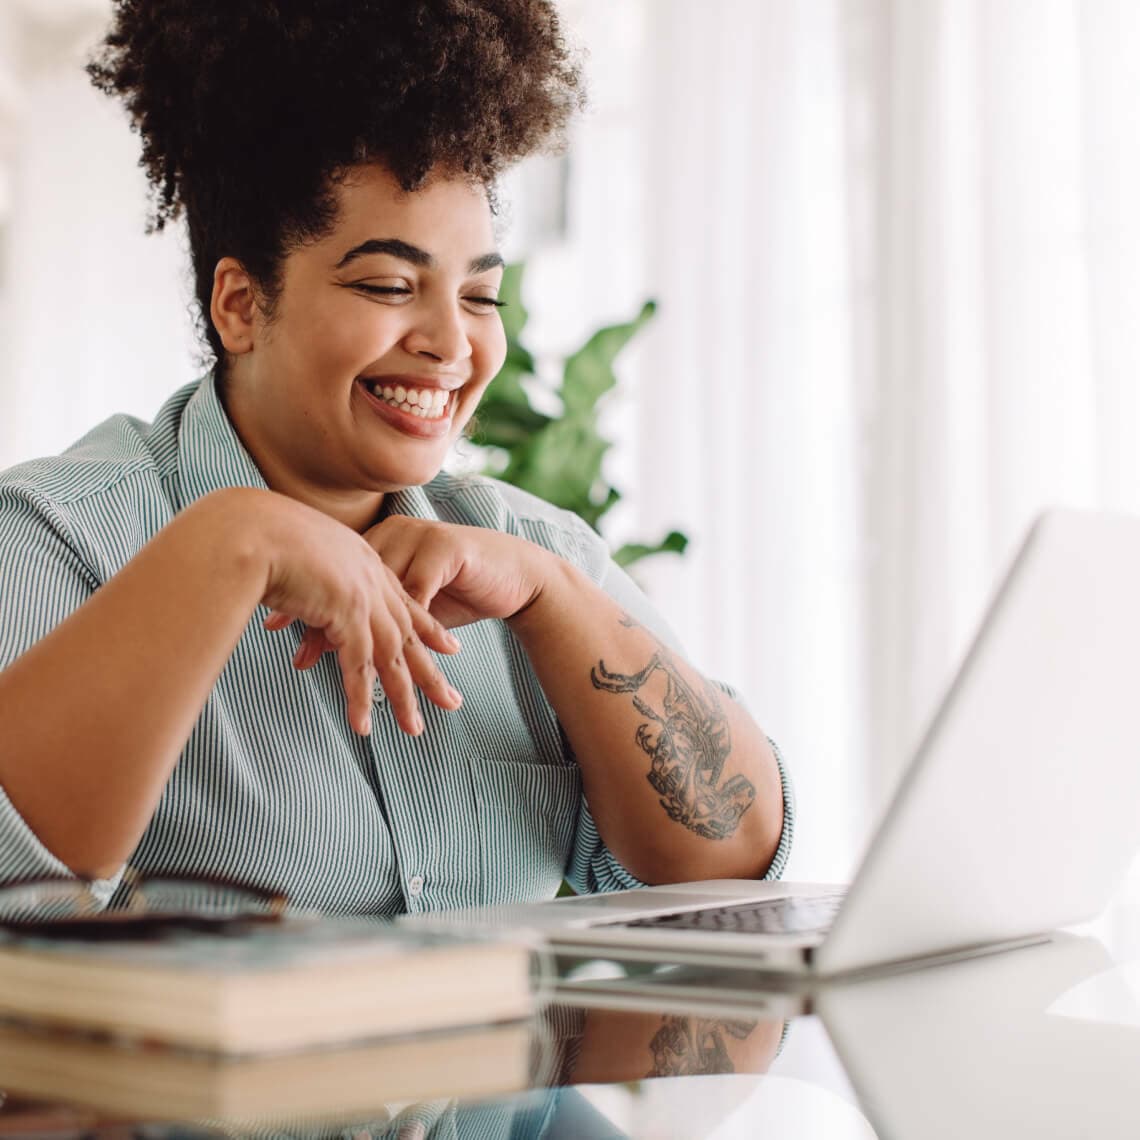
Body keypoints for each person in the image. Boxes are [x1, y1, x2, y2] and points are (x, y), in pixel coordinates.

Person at [0, 0, 793, 916]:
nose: (452, 343)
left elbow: (731, 862)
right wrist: (232, 542)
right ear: (241, 304)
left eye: (481, 296)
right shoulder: (58, 535)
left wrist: (557, 601)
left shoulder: (528, 554)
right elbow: (20, 888)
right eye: (388, 285)